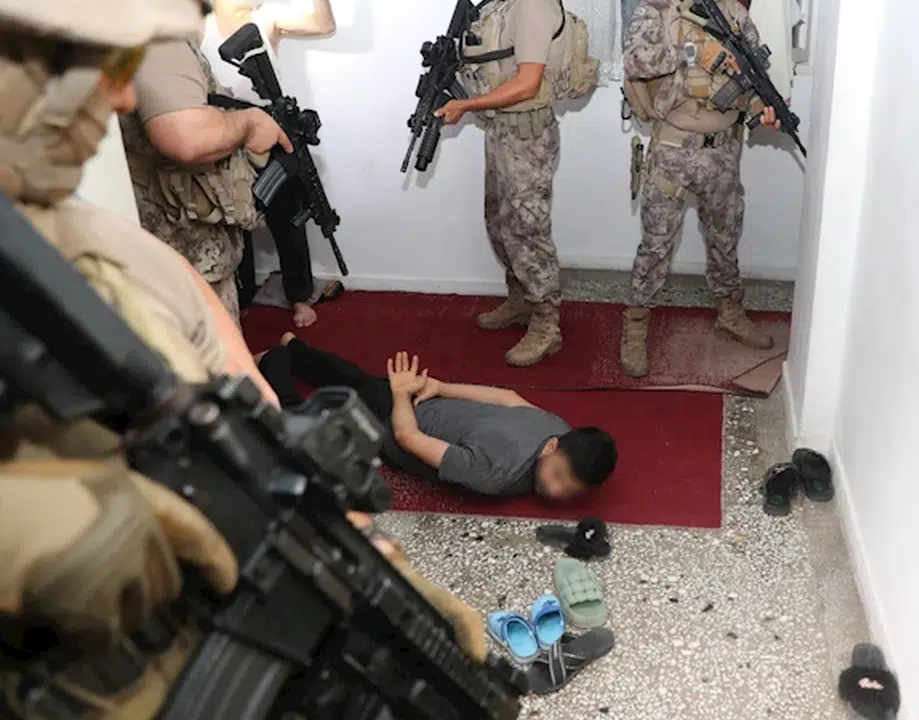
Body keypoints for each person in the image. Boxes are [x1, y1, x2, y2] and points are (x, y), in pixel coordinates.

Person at [0, 2, 484, 715]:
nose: (124, 99)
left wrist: (345, 536)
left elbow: (232, 378)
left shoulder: (89, 234)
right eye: (97, 63)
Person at [618, 0, 784, 377]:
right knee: (657, 243)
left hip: (723, 150)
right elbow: (635, 62)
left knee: (725, 236)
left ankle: (730, 312)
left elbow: (750, 77)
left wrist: (763, 108)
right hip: (673, 148)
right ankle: (636, 325)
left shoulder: (736, 15)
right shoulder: (658, 10)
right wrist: (693, 51)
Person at [258, 334, 619, 500]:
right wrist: (405, 394)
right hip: (391, 426)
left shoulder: (558, 428)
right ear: (552, 446)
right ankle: (275, 360)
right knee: (300, 427)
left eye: (570, 490)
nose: (556, 491)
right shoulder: (494, 473)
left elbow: (508, 398)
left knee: (360, 381)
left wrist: (440, 388)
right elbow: (407, 438)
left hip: (421, 402)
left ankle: (294, 349)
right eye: (557, 476)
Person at [436, 0, 599, 367]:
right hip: (500, 129)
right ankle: (521, 299)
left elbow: (527, 84)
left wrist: (467, 105)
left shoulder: (532, 6)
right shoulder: (499, 6)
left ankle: (546, 324)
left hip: (527, 136)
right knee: (499, 222)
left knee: (527, 230)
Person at [119, 10, 293, 320]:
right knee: (213, 345)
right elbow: (186, 136)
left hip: (167, 245)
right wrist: (248, 123)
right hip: (184, 246)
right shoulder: (160, 25)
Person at [203, 0, 339, 328]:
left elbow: (324, 24)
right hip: (221, 132)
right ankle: (242, 295)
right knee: (234, 221)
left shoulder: (265, 18)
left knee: (289, 217)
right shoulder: (198, 26)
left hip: (270, 130)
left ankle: (299, 295)